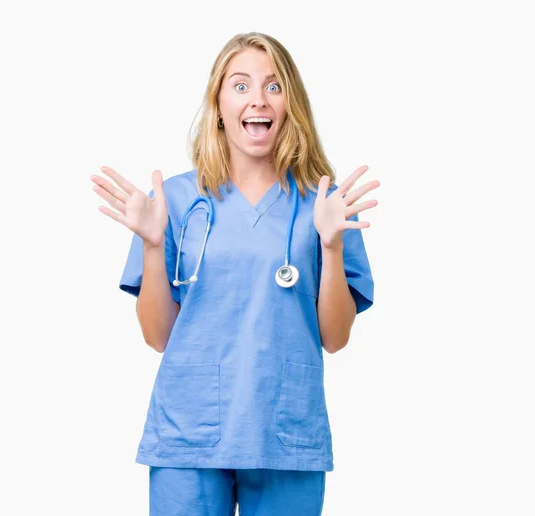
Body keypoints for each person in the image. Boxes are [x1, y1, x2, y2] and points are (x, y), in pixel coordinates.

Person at [91, 32, 379, 516]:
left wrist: (330, 246)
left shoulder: (325, 204)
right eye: (241, 86)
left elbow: (335, 337)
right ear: (218, 104)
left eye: (273, 86)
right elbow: (158, 336)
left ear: (291, 103)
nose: (258, 100)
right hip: (190, 431)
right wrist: (153, 242)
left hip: (286, 433)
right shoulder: (177, 202)